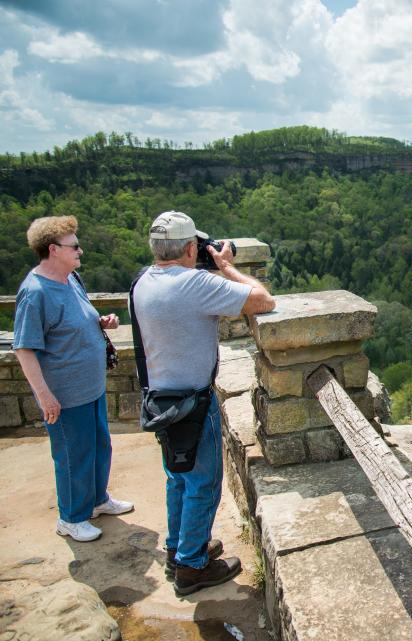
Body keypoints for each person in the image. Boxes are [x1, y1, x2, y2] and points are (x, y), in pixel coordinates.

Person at [133, 211, 275, 596]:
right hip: (192, 402)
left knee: (177, 478)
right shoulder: (195, 284)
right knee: (203, 483)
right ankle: (193, 567)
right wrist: (226, 266)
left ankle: (179, 549)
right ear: (192, 248)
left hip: (159, 399)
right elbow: (263, 300)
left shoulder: (143, 282)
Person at [13, 216, 134, 543]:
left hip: (90, 386)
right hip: (65, 394)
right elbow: (24, 348)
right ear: (53, 250)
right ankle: (71, 517)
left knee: (98, 446)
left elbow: (78, 317)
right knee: (73, 455)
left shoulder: (71, 278)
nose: (80, 250)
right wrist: (44, 396)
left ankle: (96, 501)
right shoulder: (35, 293)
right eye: (74, 246)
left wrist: (101, 322)